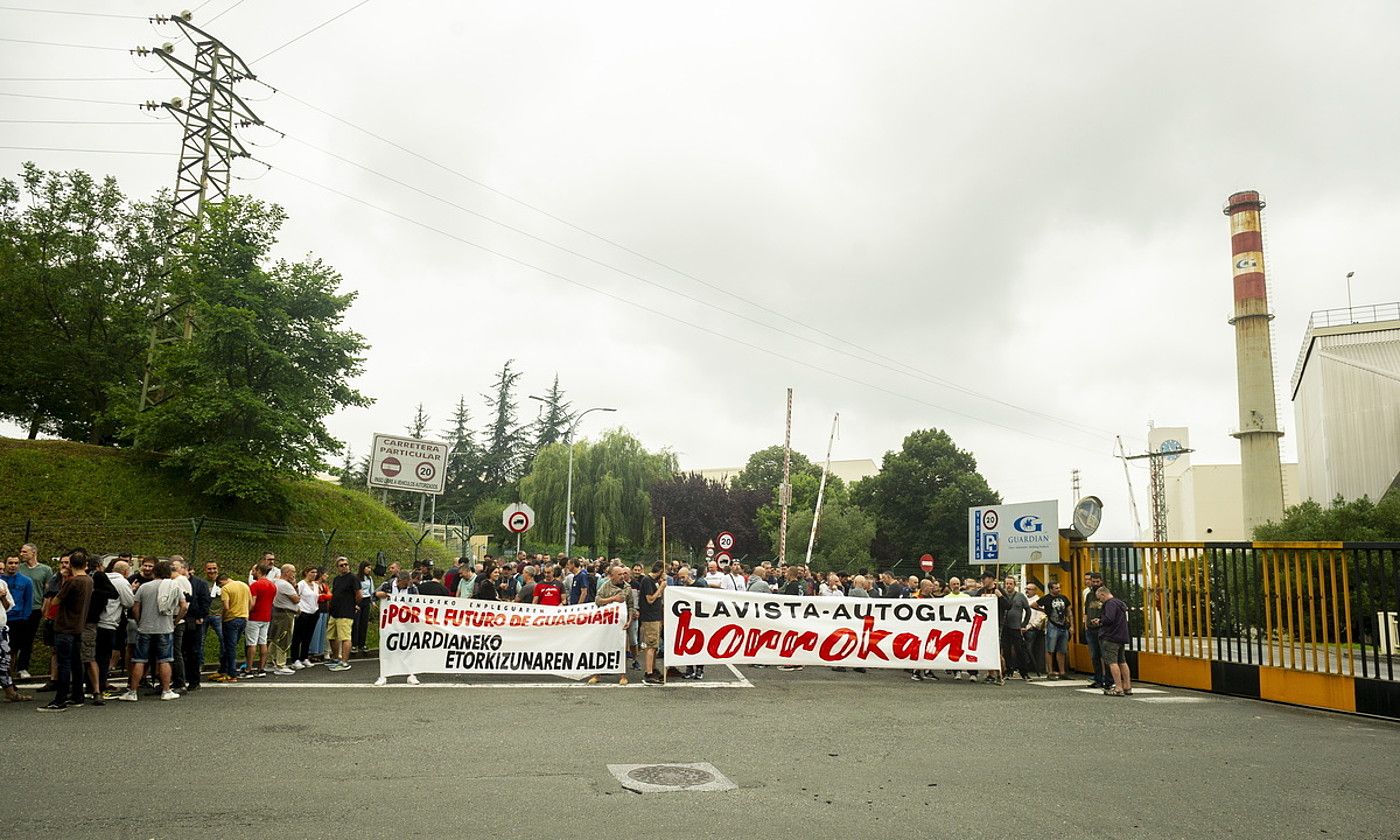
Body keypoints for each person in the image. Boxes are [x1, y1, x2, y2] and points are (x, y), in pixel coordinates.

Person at [119, 559, 185, 702]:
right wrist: (176, 620)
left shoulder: (144, 587)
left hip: (145, 628)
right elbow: (184, 606)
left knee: (139, 659)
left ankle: (133, 691)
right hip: (165, 628)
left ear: (154, 572)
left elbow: (135, 607)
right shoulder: (174, 586)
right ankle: (166, 690)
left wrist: (139, 620)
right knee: (165, 660)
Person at [588, 565, 632, 686]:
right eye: (619, 574)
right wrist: (613, 599)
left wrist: (629, 620)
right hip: (606, 622)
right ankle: (597, 674)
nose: (622, 577)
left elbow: (631, 606)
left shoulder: (628, 587)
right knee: (602, 646)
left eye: (623, 574)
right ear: (612, 576)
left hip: (621, 623)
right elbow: (598, 600)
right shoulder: (605, 586)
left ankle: (623, 675)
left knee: (621, 647)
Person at [97, 558, 135, 698]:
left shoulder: (102, 577)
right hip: (110, 621)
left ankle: (94, 685)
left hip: (96, 621)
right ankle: (101, 686)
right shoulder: (122, 582)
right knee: (104, 656)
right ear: (125, 572)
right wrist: (132, 590)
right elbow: (129, 602)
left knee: (95, 656)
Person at [13, 543, 50, 680]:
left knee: (28, 639)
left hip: (34, 608)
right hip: (18, 608)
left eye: (24, 552)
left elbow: (47, 592)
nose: (21, 554)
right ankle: (11, 667)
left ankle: (23, 667)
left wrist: (44, 608)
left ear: (33, 552)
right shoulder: (19, 569)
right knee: (14, 640)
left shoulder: (45, 570)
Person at [174, 559, 211, 690]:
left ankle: (194, 681)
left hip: (193, 619)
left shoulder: (200, 583)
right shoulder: (173, 582)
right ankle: (179, 679)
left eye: (176, 568)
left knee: (193, 650)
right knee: (179, 650)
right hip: (179, 619)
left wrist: (200, 616)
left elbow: (205, 601)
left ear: (185, 569)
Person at [0, 570, 32, 703]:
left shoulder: (2, 584)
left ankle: (10, 693)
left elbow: (8, 607)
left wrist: (2, 597)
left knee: (4, 662)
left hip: (1, 629)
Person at [1095, 585, 1132, 696]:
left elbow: (1109, 618)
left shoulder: (1110, 604)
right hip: (1121, 636)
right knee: (1122, 661)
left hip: (1111, 636)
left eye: (1099, 598)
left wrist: (1099, 621)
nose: (1100, 600)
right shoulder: (1120, 603)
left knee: (1112, 662)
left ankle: (1118, 688)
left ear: (1103, 594)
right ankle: (1127, 686)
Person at [215, 572, 251, 682]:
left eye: (220, 586)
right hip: (243, 618)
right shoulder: (244, 585)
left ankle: (232, 673)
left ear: (221, 582)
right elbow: (250, 602)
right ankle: (223, 670)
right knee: (231, 645)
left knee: (230, 647)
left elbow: (226, 606)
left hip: (231, 620)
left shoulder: (225, 588)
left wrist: (222, 617)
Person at [1033, 581, 1072, 679]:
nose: (1058, 589)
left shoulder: (1064, 598)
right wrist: (1044, 611)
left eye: (1059, 588)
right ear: (1051, 589)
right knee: (1050, 649)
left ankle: (1062, 672)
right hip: (1052, 625)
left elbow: (1068, 610)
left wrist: (1071, 625)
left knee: (1062, 650)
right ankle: (1050, 672)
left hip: (1063, 626)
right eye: (1056, 588)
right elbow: (1033, 605)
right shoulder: (1046, 598)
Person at [326, 557, 359, 671]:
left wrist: (354, 604)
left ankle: (345, 662)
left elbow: (359, 594)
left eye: (346, 564)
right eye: (341, 565)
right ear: (337, 568)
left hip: (346, 612)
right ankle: (336, 658)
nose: (344, 566)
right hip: (335, 612)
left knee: (345, 637)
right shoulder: (336, 579)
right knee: (331, 636)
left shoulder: (353, 578)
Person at [637, 561, 666, 684]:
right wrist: (661, 588)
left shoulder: (653, 581)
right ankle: (648, 673)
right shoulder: (647, 581)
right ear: (659, 571)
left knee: (655, 645)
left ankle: (653, 669)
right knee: (651, 645)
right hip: (650, 617)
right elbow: (650, 599)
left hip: (656, 616)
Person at [268, 563, 299, 675]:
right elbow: (296, 599)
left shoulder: (275, 582)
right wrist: (294, 586)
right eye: (293, 572)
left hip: (277, 611)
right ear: (287, 573)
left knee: (275, 637)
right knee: (285, 638)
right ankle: (281, 665)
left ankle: (269, 662)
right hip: (286, 614)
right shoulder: (285, 585)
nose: (294, 574)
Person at [291, 567, 322, 669]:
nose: (314, 574)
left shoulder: (316, 585)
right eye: (312, 572)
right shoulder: (301, 584)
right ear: (306, 573)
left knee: (308, 636)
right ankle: (295, 659)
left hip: (314, 612)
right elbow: (296, 597)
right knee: (298, 636)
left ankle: (304, 657)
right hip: (303, 612)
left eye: (315, 572)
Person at [1083, 572, 1109, 689]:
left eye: (1097, 581)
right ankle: (1098, 679)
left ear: (1101, 581)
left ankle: (1108, 680)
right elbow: (1086, 611)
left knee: (1105, 655)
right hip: (1091, 629)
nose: (1095, 584)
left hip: (1102, 628)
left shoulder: (1105, 594)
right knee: (1094, 656)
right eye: (1093, 581)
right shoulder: (1089, 595)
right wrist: (1086, 625)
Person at [1023, 582, 1047, 677]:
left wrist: (1031, 626)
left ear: (1035, 590)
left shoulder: (1038, 600)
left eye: (1029, 589)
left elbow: (1041, 616)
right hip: (1022, 627)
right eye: (1026, 588)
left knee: (1029, 648)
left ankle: (1033, 668)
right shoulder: (1024, 599)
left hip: (1032, 628)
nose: (1027, 591)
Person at [352, 561, 375, 655]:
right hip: (358, 601)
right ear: (363, 568)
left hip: (366, 601)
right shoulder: (356, 578)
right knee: (356, 623)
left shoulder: (369, 578)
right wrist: (354, 603)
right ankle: (354, 644)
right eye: (367, 567)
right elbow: (354, 590)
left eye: (370, 568)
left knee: (364, 622)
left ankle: (362, 643)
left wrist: (372, 601)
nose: (369, 570)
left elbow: (371, 590)